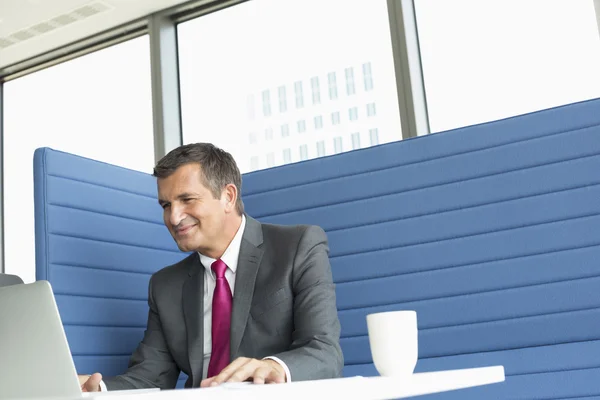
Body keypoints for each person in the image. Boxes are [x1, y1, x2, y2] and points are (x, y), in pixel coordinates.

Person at [79, 143, 343, 391]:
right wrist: (95, 388)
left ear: (228, 196)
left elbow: (324, 352)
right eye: (166, 205)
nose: (174, 217)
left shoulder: (297, 247)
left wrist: (273, 367)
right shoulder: (165, 285)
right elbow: (150, 376)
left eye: (187, 199)